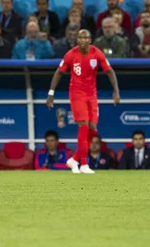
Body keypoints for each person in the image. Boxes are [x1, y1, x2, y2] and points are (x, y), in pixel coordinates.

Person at [46, 29, 120, 175]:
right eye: (80, 37)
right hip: (76, 94)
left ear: (90, 40)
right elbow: (59, 72)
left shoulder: (96, 53)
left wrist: (116, 90)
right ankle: (83, 164)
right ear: (77, 40)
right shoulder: (71, 54)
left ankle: (74, 159)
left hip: (92, 95)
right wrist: (51, 93)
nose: (82, 40)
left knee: (93, 130)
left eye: (85, 37)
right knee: (84, 127)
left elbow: (110, 71)